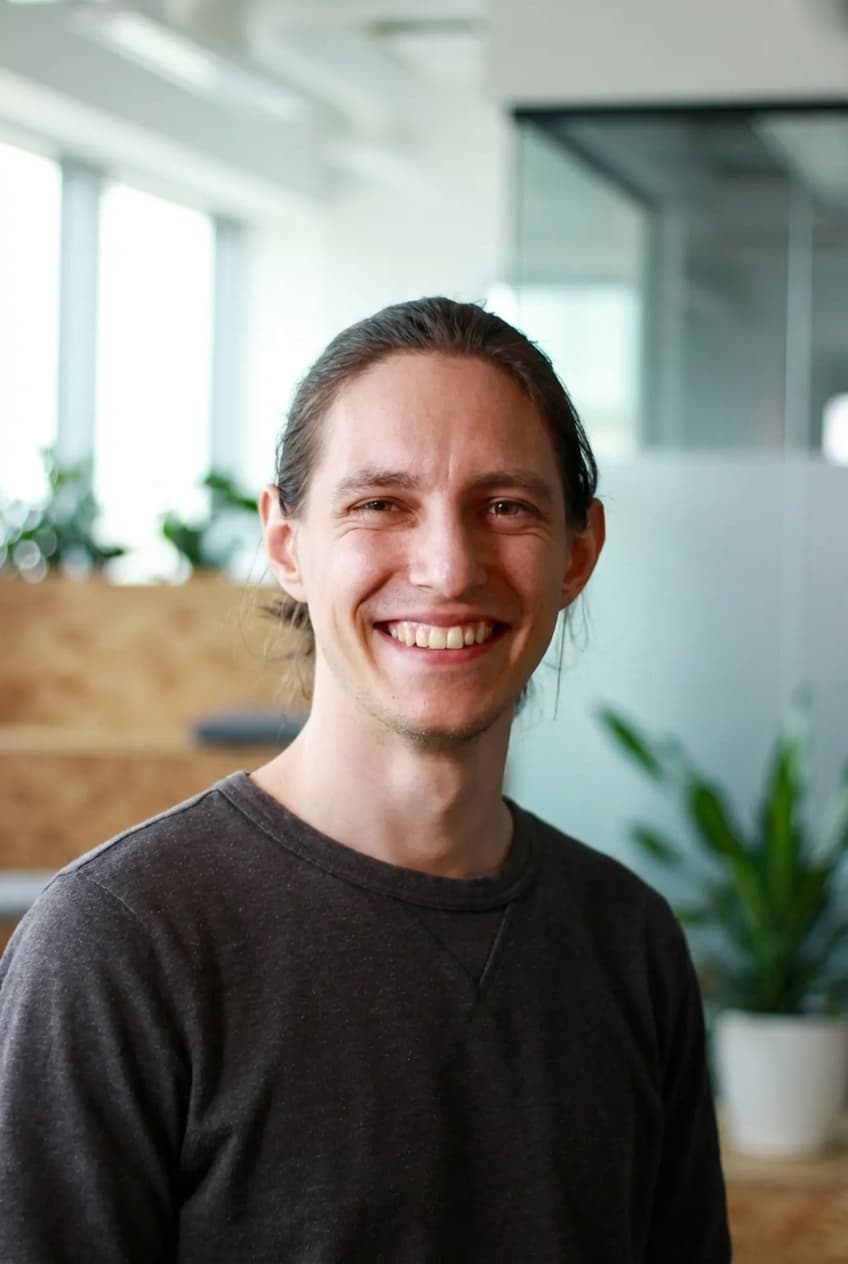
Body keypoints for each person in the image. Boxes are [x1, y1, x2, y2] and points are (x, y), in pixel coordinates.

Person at [0, 297, 731, 1262]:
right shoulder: (121, 946)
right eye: (381, 503)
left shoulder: (629, 940)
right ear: (287, 544)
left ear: (578, 554)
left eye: (506, 507)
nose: (449, 568)